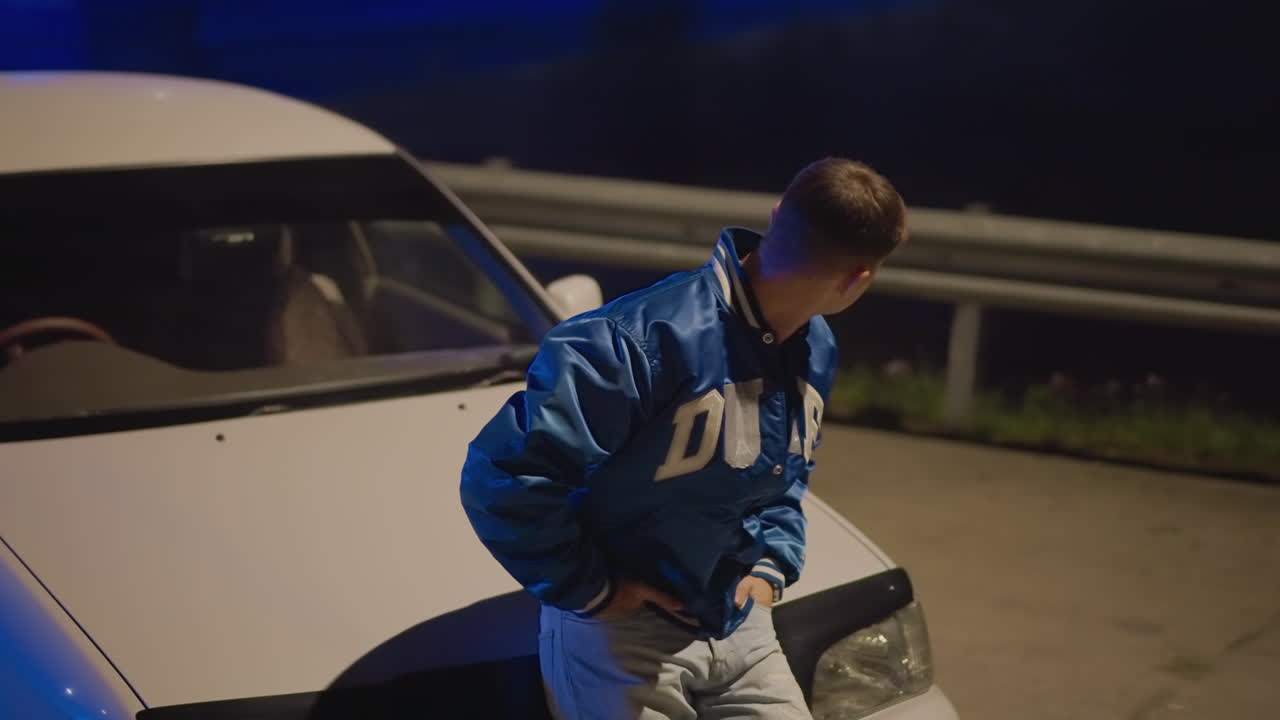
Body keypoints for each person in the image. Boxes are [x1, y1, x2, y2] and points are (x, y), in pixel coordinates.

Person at [461, 157, 907, 719]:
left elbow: (785, 475)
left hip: (739, 620)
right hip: (622, 637)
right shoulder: (638, 340)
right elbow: (503, 476)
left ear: (776, 215)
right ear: (857, 279)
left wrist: (771, 564)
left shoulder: (815, 346)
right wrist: (593, 591)